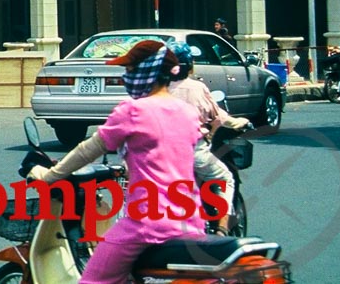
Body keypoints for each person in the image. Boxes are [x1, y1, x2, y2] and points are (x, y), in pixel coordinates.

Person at [28, 40, 204, 284]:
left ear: (147, 72)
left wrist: (50, 176)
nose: (126, 77)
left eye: (130, 70)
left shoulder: (133, 111)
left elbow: (89, 149)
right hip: (190, 221)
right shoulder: (188, 112)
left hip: (147, 224)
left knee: (92, 281)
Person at [167, 41, 249, 234]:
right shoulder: (196, 88)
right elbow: (218, 117)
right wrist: (239, 123)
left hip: (162, 154)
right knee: (226, 178)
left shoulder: (156, 89)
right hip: (194, 152)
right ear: (190, 66)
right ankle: (222, 229)